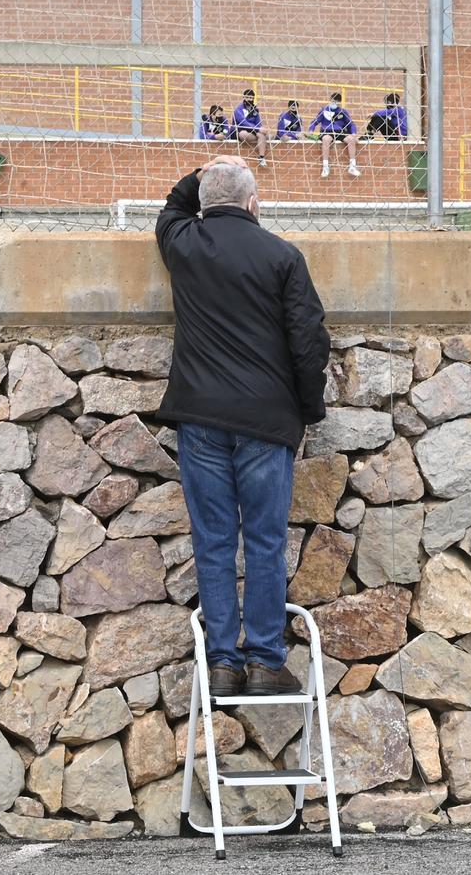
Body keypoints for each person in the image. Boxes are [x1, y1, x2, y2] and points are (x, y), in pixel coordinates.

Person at [154, 154, 331, 698]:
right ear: (255, 205)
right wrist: (307, 412)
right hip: (265, 420)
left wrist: (201, 172)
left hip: (200, 418)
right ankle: (264, 660)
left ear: (205, 206)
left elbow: (171, 210)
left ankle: (223, 662)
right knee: (264, 541)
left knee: (213, 540)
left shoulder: (184, 243)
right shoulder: (283, 256)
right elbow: (309, 343)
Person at [313, 92, 359, 178]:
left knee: (351, 139)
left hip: (339, 132)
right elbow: (314, 122)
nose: (333, 103)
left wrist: (353, 133)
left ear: (339, 103)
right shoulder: (324, 110)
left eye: (336, 102)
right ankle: (325, 166)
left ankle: (352, 166)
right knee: (326, 139)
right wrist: (311, 131)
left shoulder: (342, 111)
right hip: (327, 131)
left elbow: (351, 124)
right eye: (332, 101)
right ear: (330, 100)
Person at [232, 89, 269, 164]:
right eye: (248, 97)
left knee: (262, 135)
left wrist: (260, 129)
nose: (250, 99)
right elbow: (243, 122)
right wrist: (258, 129)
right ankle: (260, 140)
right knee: (244, 135)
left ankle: (261, 157)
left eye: (252, 98)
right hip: (239, 129)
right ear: (244, 98)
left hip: (252, 130)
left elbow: (258, 122)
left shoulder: (255, 109)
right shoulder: (238, 110)